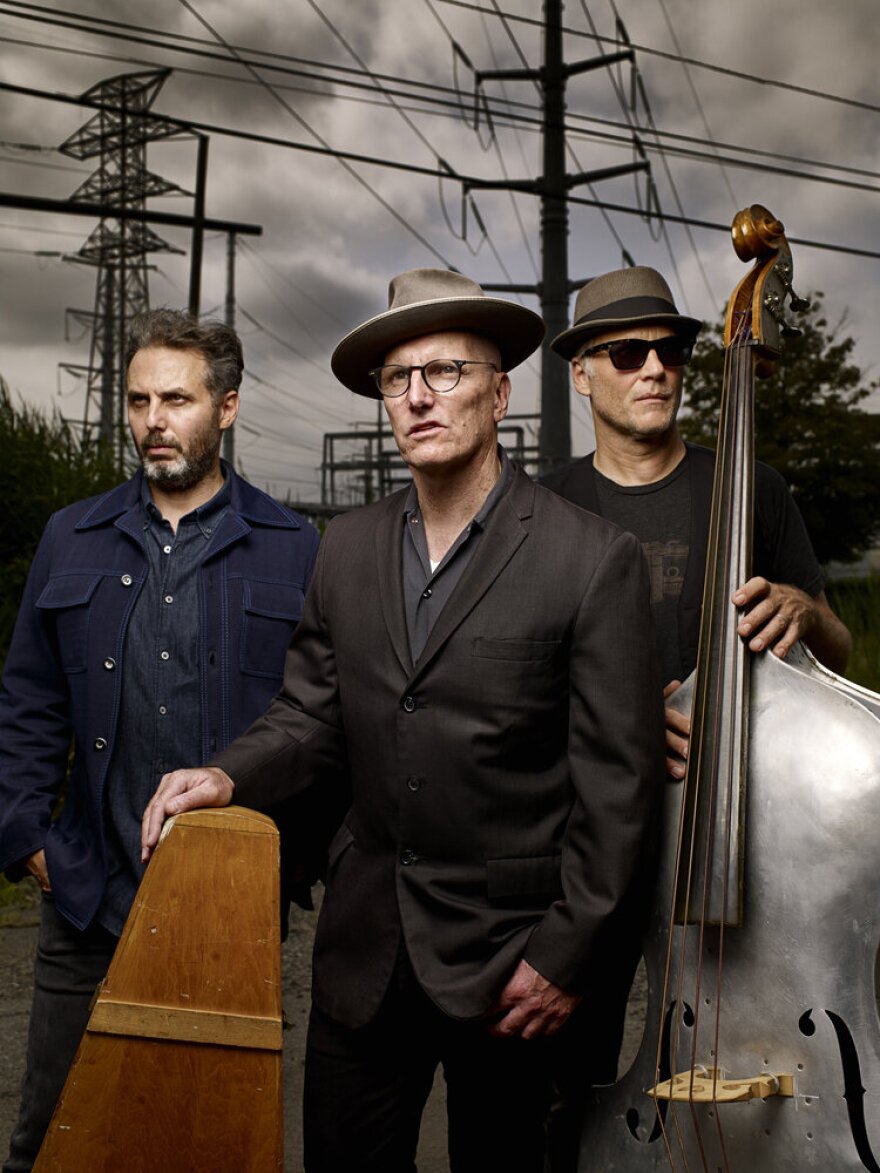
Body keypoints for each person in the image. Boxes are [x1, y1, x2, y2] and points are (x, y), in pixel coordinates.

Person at [141, 268, 666, 1173]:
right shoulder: (344, 546)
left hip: (512, 966)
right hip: (366, 956)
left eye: (446, 372)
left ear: (500, 394)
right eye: (396, 378)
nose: (417, 394)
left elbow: (619, 790)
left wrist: (567, 954)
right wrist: (229, 774)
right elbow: (309, 714)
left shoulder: (592, 560)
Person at [0, 309, 321, 1173]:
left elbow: (316, 719)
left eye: (176, 398)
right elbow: (27, 699)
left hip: (227, 910)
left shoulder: (296, 549)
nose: (152, 420)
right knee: (52, 1137)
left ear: (227, 408)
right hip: (87, 893)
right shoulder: (72, 535)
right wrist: (29, 835)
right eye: (138, 399)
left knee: (209, 1138)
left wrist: (291, 863)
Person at [541, 265, 850, 778]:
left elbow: (836, 657)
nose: (655, 369)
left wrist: (807, 614)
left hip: (748, 784)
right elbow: (513, 695)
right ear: (581, 374)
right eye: (627, 354)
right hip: (599, 810)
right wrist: (618, 724)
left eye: (671, 350)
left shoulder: (755, 486)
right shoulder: (544, 508)